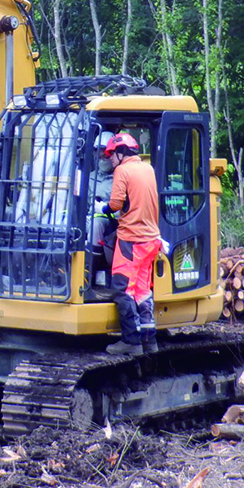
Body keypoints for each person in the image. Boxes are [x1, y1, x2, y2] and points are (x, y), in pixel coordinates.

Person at [94, 132, 164, 355]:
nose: (109, 159)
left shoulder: (123, 171)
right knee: (142, 291)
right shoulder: (147, 169)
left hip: (131, 240)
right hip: (150, 240)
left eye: (111, 155)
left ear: (121, 153)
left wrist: (101, 208)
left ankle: (131, 341)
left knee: (122, 289)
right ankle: (149, 340)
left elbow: (116, 203)